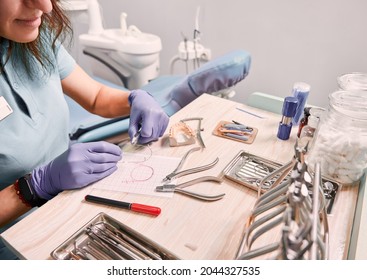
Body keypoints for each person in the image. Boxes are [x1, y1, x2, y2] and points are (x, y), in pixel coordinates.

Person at [0, 0, 169, 259]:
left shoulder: (34, 36)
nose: (45, 7)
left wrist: (135, 98)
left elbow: (96, 96)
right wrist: (31, 188)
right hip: (15, 241)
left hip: (73, 209)